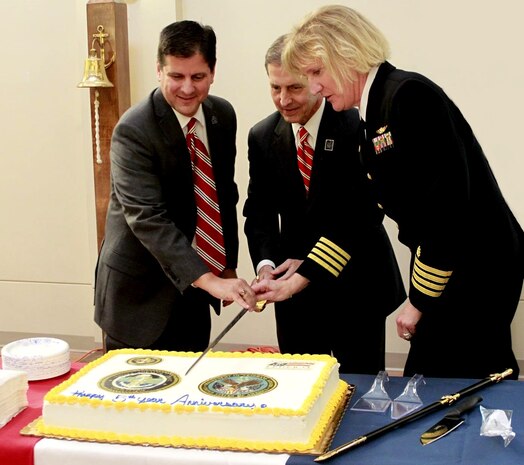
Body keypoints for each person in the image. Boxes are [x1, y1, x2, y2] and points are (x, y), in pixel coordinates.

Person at [280, 5, 524, 379]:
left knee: (454, 381)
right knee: (447, 380)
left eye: (316, 72)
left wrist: (418, 300)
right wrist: (299, 279)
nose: (313, 87)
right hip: (456, 266)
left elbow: (447, 210)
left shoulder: (408, 96)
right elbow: (360, 212)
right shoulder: (375, 113)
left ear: (347, 54)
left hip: (476, 267)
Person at [245, 35, 406, 374]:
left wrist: (309, 264)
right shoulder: (262, 135)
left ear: (316, 81)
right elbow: (258, 210)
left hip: (355, 285)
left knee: (360, 391)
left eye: (294, 88)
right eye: (275, 88)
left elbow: (363, 213)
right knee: (300, 391)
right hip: (294, 296)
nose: (283, 100)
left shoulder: (355, 123)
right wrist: (266, 266)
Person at [94, 20, 257, 352]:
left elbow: (222, 192)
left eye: (197, 77)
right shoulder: (134, 130)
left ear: (212, 72)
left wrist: (225, 266)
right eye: (176, 76)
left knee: (188, 397)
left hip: (193, 290)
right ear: (158, 71)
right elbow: (148, 218)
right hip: (139, 297)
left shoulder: (222, 115)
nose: (187, 88)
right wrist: (207, 278)